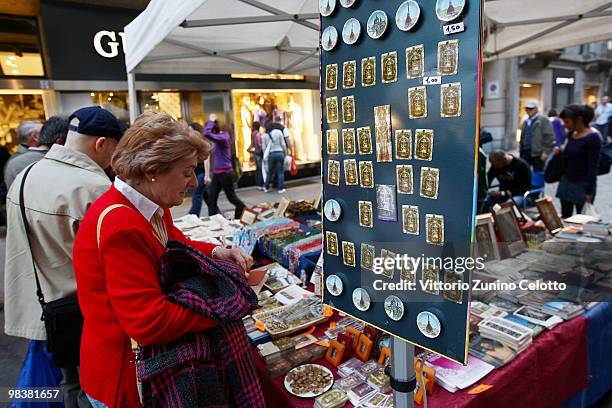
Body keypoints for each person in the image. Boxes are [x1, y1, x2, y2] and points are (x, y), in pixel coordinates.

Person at [72, 112, 257, 407]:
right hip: (125, 375)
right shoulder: (121, 225)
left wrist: (215, 251)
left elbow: (173, 241)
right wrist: (225, 308)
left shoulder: (148, 201)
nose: (194, 182)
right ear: (152, 170)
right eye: (187, 172)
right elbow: (148, 321)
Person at [4, 106, 123, 407]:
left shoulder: (27, 174)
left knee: (68, 383)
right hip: (85, 310)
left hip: (45, 306)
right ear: (101, 144)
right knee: (93, 386)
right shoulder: (93, 187)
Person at [555, 104, 603, 218]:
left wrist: (589, 191)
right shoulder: (571, 134)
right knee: (565, 216)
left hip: (582, 184)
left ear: (579, 120)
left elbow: (593, 166)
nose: (565, 125)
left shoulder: (594, 137)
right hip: (566, 181)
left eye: (567, 122)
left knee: (581, 219)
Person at [4, 116, 69, 189]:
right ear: (35, 137)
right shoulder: (25, 161)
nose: (47, 133)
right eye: (43, 131)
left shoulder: (16, 160)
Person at [203, 113, 246, 219]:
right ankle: (213, 220)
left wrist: (211, 121)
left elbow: (206, 133)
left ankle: (245, 212)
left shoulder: (224, 137)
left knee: (231, 198)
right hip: (218, 173)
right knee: (211, 199)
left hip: (225, 173)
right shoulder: (218, 140)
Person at [519, 101, 554, 172]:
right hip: (525, 152)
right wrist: (520, 149)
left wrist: (546, 152)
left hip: (538, 153)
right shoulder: (525, 121)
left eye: (531, 108)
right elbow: (522, 136)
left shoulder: (543, 120)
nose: (529, 110)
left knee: (538, 174)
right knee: (524, 173)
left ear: (536, 109)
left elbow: (549, 137)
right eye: (527, 108)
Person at [263, 117, 292, 193]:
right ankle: (281, 188)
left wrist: (265, 157)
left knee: (270, 172)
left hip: (271, 154)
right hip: (280, 153)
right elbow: (283, 144)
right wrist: (285, 153)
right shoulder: (278, 132)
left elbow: (264, 148)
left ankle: (266, 187)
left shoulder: (264, 135)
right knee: (280, 171)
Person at [188, 122, 210, 216]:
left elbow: (207, 160)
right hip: (196, 172)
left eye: (190, 129)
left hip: (201, 173)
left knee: (197, 195)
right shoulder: (190, 142)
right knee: (207, 196)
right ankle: (216, 212)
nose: (188, 131)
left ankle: (193, 216)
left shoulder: (201, 142)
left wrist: (207, 175)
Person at [249, 121, 264, 189]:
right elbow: (259, 144)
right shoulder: (258, 134)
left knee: (258, 169)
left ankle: (258, 183)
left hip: (255, 153)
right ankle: (260, 184)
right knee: (260, 168)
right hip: (258, 153)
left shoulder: (253, 133)